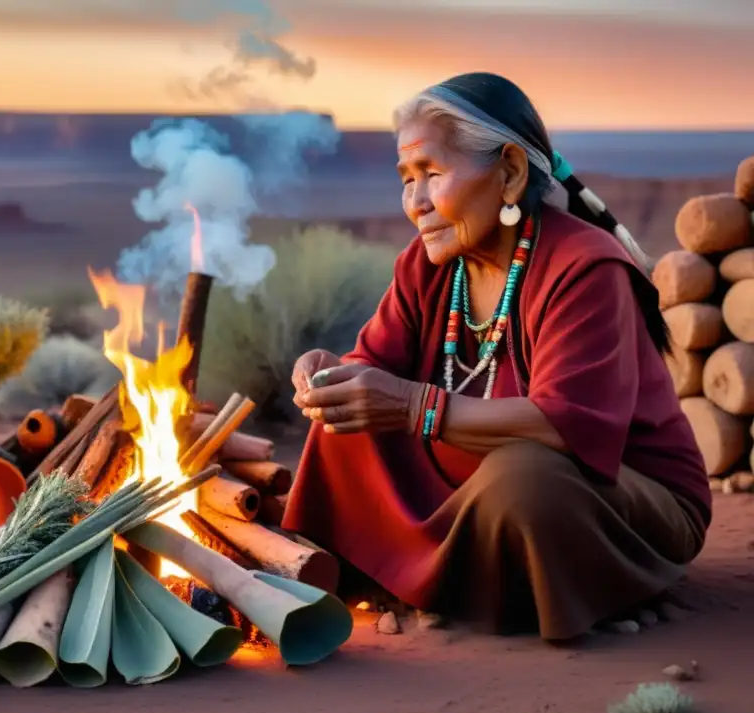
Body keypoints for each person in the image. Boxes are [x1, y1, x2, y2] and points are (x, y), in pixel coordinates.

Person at [283, 72, 711, 642]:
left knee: (523, 479)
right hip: (484, 473)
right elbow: (373, 368)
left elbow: (564, 427)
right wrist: (330, 374)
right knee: (346, 424)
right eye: (407, 179)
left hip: (627, 500)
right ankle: (408, 575)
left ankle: (463, 584)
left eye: (432, 174)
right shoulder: (429, 265)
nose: (416, 203)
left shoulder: (586, 268)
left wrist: (414, 406)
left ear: (509, 172)